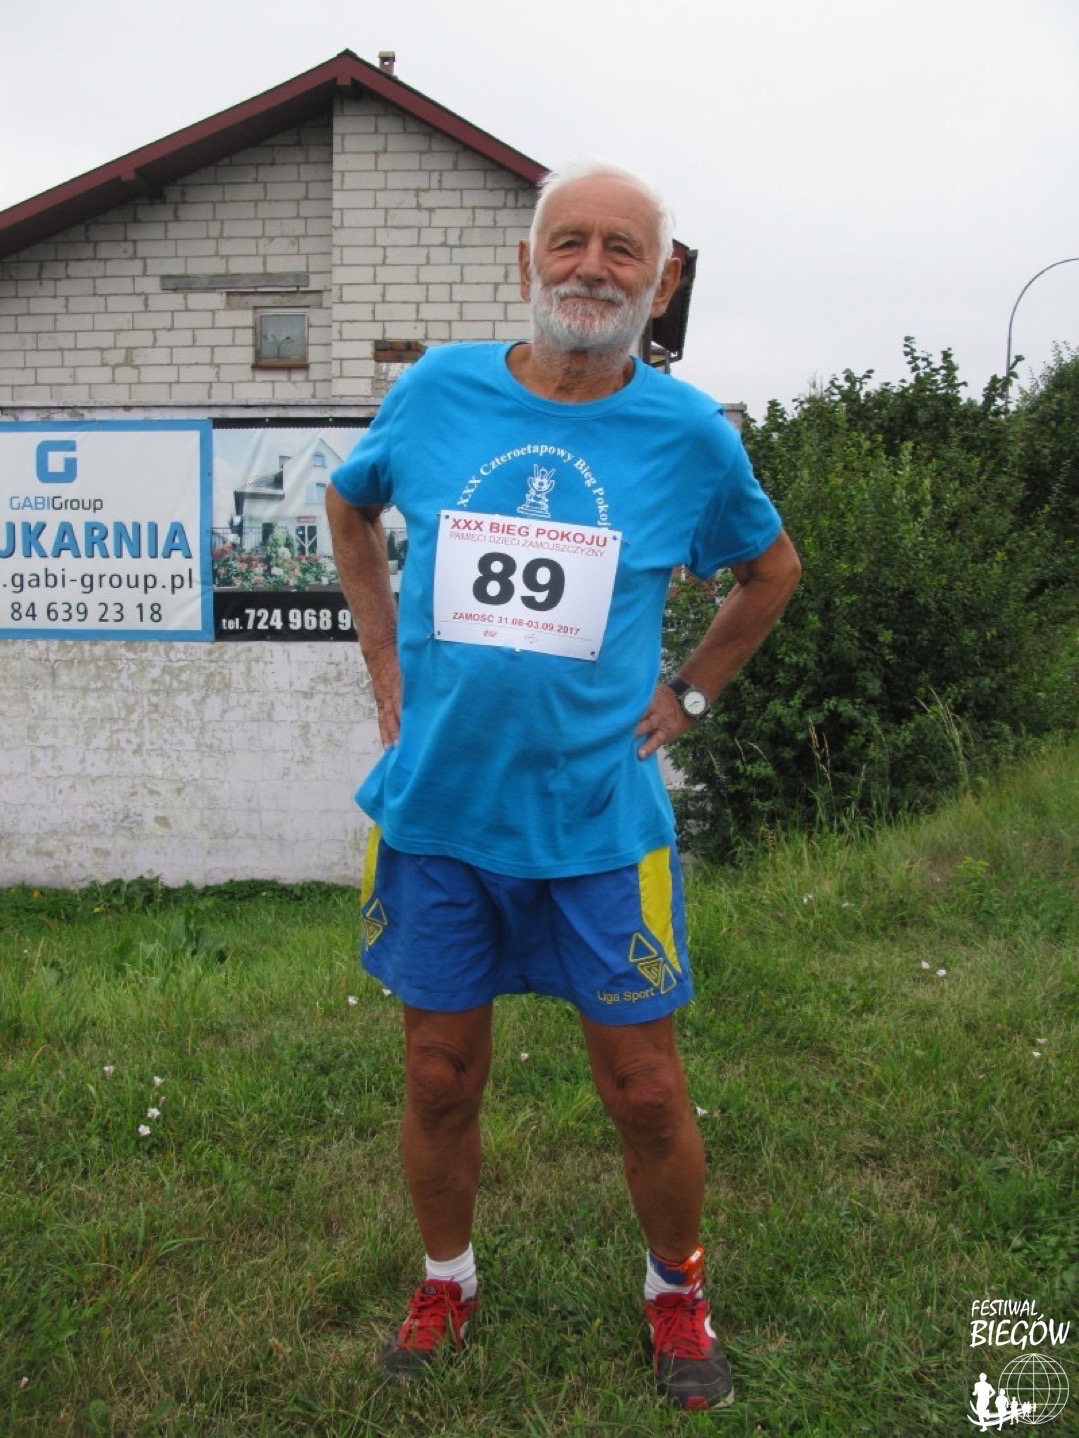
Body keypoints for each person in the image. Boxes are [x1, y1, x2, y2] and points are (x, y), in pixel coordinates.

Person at [326, 157, 801, 1412]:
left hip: (597, 825)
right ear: (526, 262)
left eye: (621, 249)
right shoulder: (437, 391)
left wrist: (689, 692)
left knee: (644, 1088)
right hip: (437, 814)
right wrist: (381, 660)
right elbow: (348, 502)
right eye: (569, 241)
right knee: (439, 1073)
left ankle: (676, 1290)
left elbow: (769, 571)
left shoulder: (685, 434)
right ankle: (446, 1279)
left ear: (660, 282)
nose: (592, 266)